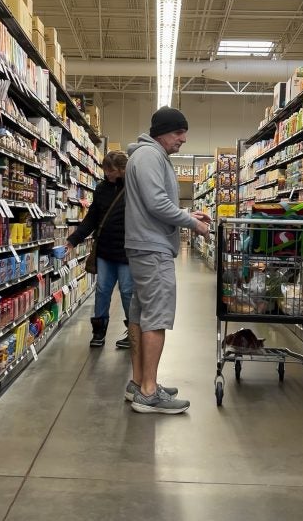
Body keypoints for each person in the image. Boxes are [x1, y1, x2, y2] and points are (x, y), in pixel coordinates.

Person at [124, 106, 211, 414]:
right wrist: (193, 224)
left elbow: (158, 203)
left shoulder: (149, 157)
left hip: (146, 245)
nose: (183, 139)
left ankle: (139, 382)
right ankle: (148, 392)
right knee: (157, 316)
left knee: (140, 313)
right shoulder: (149, 157)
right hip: (152, 248)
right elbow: (156, 202)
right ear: (161, 132)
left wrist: (187, 213)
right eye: (178, 132)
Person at [66, 150, 133, 348]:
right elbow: (92, 219)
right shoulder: (102, 189)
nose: (107, 174)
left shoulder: (133, 188)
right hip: (104, 250)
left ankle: (133, 333)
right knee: (102, 290)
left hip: (127, 251)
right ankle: (99, 332)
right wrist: (73, 240)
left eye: (110, 171)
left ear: (122, 169)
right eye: (105, 170)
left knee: (128, 292)